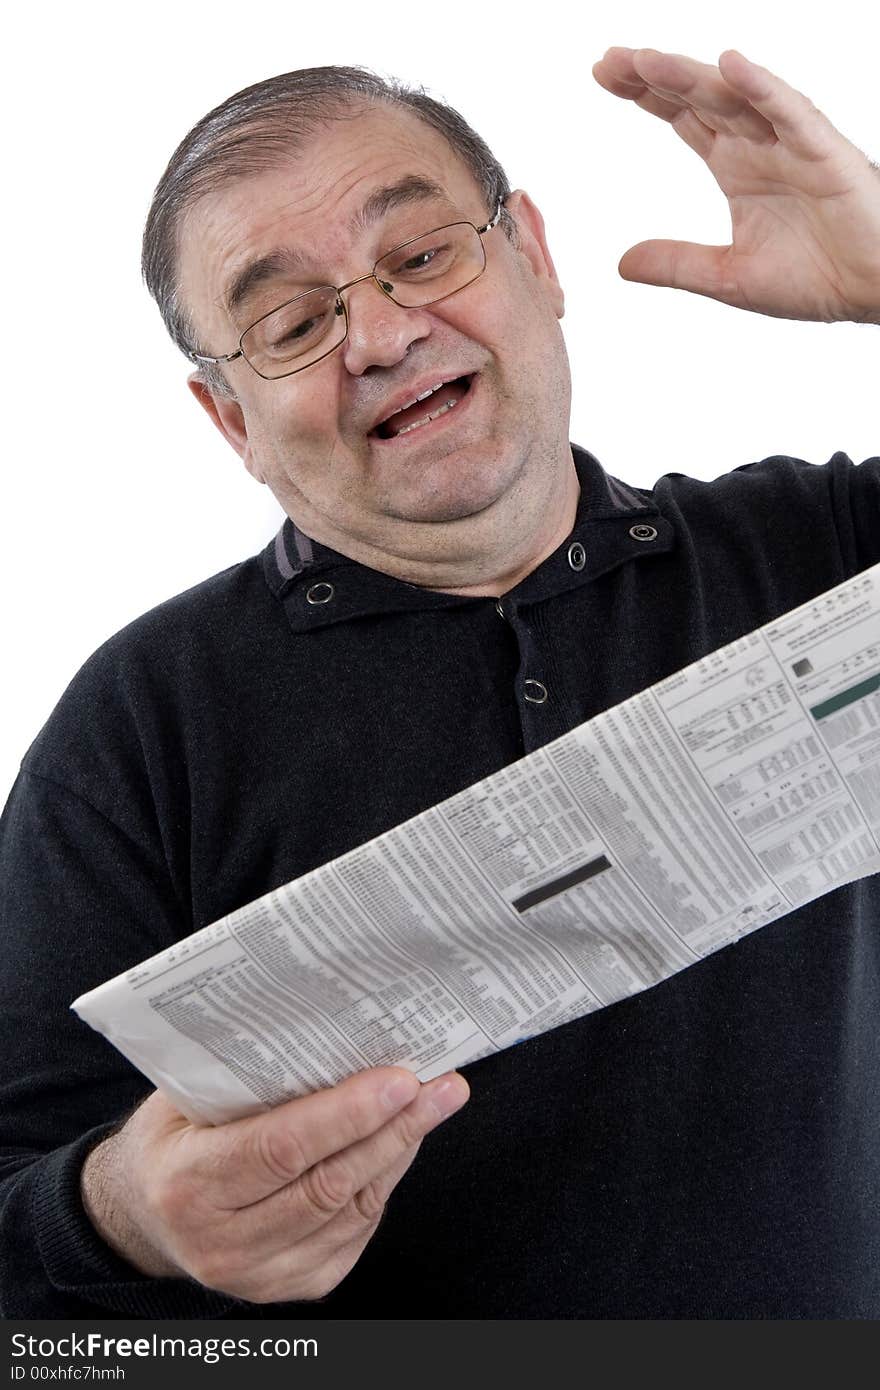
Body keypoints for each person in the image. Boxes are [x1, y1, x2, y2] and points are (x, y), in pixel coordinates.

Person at [1, 46, 878, 1320]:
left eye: (420, 256)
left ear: (532, 252)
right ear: (231, 420)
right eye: (292, 322)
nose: (381, 334)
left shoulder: (820, 551)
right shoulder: (140, 726)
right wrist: (128, 1212)